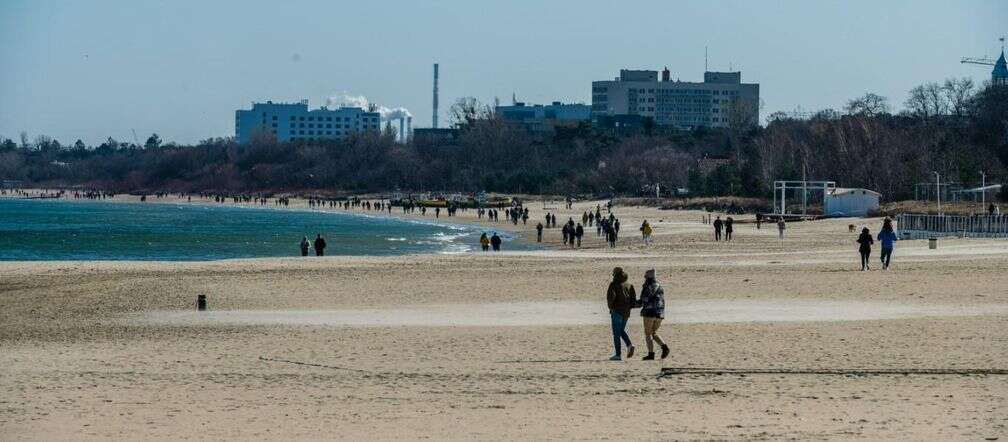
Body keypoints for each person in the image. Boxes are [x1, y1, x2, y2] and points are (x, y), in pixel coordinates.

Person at [637, 269, 670, 360]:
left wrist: (631, 304)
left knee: (648, 334)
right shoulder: (660, 286)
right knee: (653, 332)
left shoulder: (648, 286)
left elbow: (644, 300)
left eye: (646, 276)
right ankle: (664, 347)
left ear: (648, 277)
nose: (644, 277)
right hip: (660, 313)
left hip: (649, 313)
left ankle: (651, 354)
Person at [606, 267, 636, 361]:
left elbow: (610, 298)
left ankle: (618, 354)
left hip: (617, 311)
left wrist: (611, 308)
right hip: (626, 312)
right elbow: (633, 299)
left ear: (615, 274)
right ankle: (629, 345)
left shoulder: (613, 284)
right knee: (620, 330)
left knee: (616, 334)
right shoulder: (629, 284)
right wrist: (629, 308)